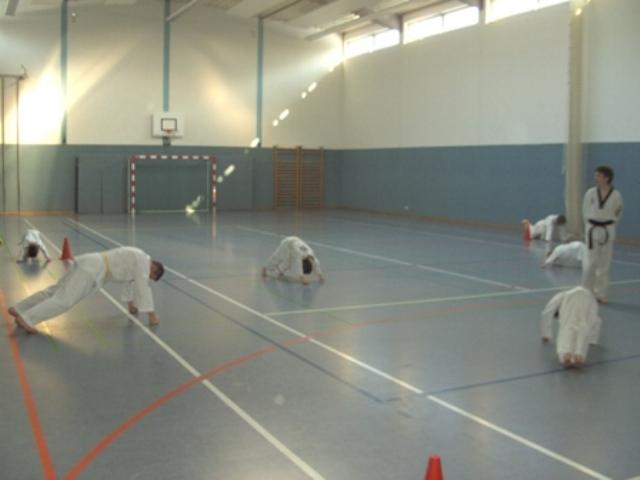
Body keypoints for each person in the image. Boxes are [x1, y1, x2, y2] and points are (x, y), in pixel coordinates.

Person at [8, 246, 164, 334]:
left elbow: (132, 284)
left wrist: (130, 305)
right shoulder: (143, 262)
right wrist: (152, 316)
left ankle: (19, 308)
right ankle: (27, 318)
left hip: (90, 262)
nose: (148, 278)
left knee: (54, 291)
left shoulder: (139, 259)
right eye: (151, 276)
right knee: (64, 300)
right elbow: (143, 288)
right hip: (93, 269)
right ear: (154, 269)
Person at [582, 165, 623, 304]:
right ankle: (586, 291)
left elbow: (618, 212)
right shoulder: (590, 193)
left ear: (607, 178)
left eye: (599, 176)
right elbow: (584, 211)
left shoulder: (616, 195)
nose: (596, 178)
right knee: (590, 263)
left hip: (607, 229)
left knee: (604, 264)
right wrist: (588, 227)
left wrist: (610, 225)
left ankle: (601, 293)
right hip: (592, 229)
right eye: (596, 175)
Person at [541, 286, 601, 369]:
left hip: (571, 299)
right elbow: (596, 320)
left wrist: (545, 334)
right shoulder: (564, 294)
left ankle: (566, 355)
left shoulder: (562, 296)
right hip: (588, 297)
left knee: (566, 329)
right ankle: (579, 356)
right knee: (584, 328)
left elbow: (547, 312)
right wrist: (592, 339)